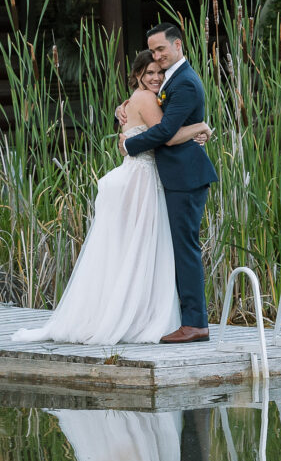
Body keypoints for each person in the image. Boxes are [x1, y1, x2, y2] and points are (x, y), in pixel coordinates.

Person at [12, 50, 211, 345]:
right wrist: (201, 127)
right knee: (137, 250)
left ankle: (135, 312)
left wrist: (127, 121)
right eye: (149, 73)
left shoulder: (142, 99)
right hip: (141, 182)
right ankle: (134, 316)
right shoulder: (144, 98)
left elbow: (152, 129)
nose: (155, 77)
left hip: (143, 177)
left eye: (159, 72)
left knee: (134, 251)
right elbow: (166, 135)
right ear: (138, 76)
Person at [121, 23, 218, 345]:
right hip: (174, 176)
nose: (157, 56)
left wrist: (128, 145)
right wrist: (126, 110)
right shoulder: (171, 79)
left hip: (185, 177)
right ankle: (181, 317)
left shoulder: (185, 82)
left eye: (161, 49)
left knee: (185, 248)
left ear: (177, 45)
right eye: (153, 50)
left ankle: (195, 323)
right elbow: (155, 114)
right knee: (175, 248)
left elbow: (164, 132)